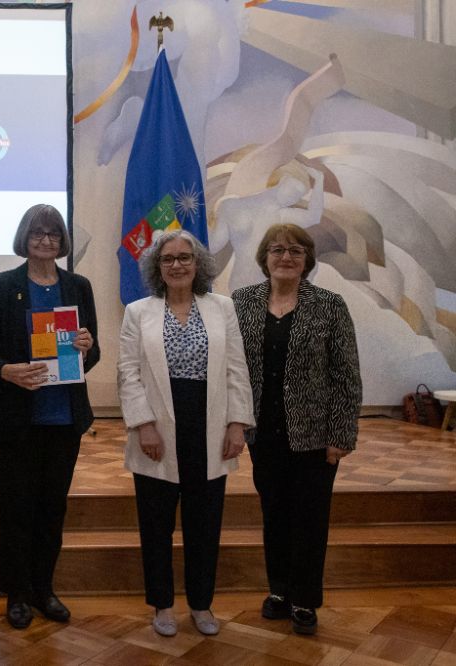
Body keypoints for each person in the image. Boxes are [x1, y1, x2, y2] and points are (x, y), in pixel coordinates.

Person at [117, 230, 254, 637]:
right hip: (155, 430)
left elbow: (236, 369)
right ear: (157, 267)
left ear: (198, 264)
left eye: (184, 257)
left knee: (204, 525)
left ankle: (201, 604)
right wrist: (143, 424)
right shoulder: (138, 311)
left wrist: (237, 423)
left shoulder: (222, 308)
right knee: (156, 524)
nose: (177, 265)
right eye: (168, 259)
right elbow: (128, 372)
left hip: (209, 427)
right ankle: (162, 604)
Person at [0, 204, 99, 630]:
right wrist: (6, 371)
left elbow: (92, 353)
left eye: (53, 234)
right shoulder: (0, 286)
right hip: (14, 419)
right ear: (24, 238)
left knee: (52, 509)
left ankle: (44, 588)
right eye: (38, 233)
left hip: (63, 418)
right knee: (16, 509)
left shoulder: (78, 287)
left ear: (63, 241)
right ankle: (17, 593)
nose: (46, 240)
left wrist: (86, 346)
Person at [231, 223, 361, 635]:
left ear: (307, 260)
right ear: (264, 258)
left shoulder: (330, 305)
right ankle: (279, 591)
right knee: (274, 514)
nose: (285, 257)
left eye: (295, 251)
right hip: (263, 433)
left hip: (315, 436)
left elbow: (346, 374)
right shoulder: (241, 302)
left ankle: (304, 599)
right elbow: (231, 368)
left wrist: (340, 435)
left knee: (310, 519)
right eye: (277, 250)